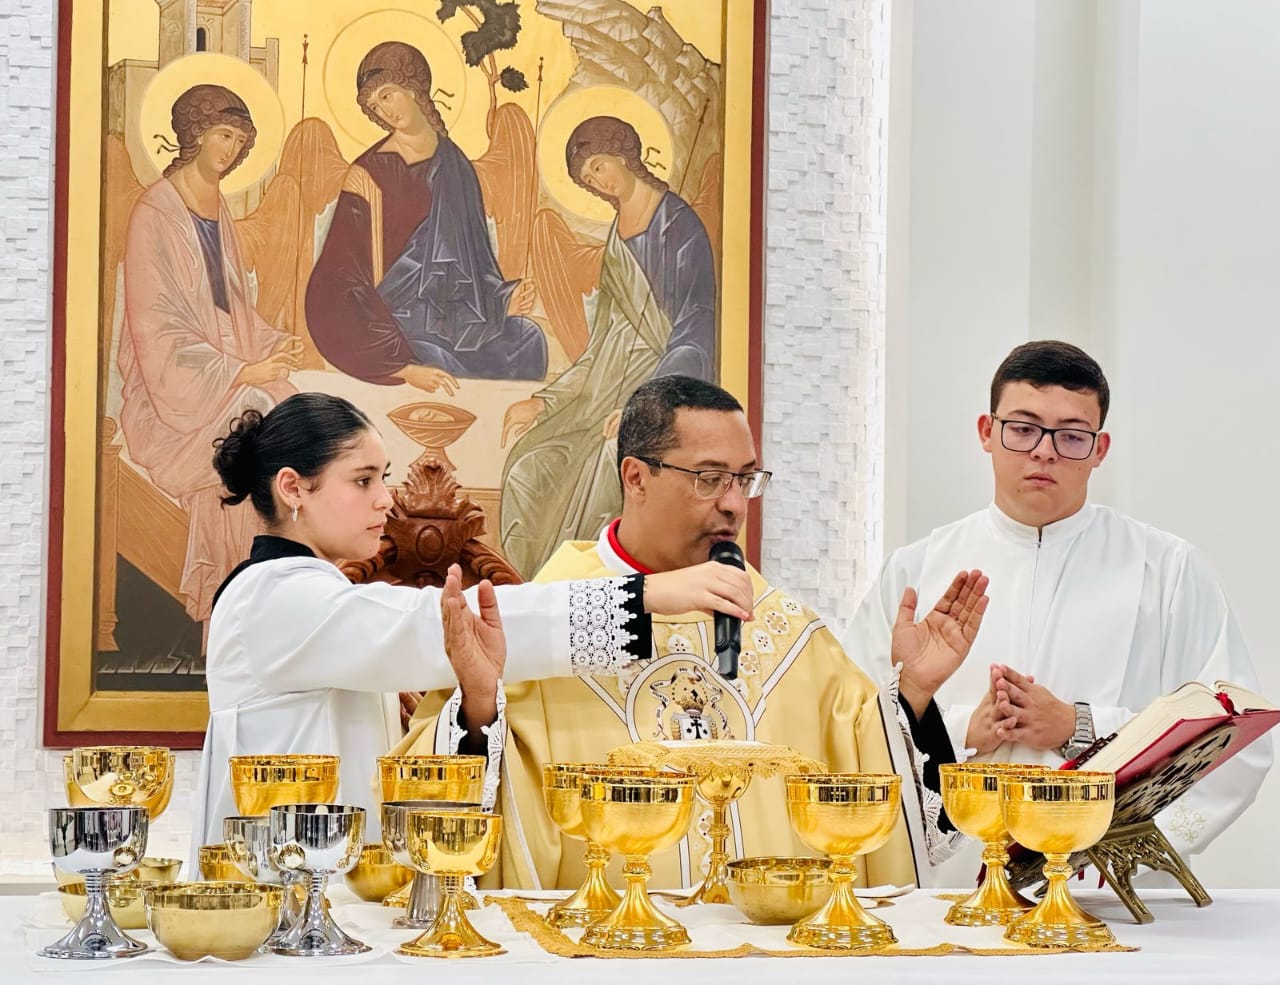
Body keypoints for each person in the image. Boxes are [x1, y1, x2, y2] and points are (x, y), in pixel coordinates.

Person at [397, 376, 990, 890]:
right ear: (636, 477)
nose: (734, 504)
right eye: (709, 478)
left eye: (746, 479)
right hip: (602, 949)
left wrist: (913, 692)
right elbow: (455, 796)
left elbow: (859, 767)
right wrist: (479, 706)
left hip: (761, 949)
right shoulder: (550, 622)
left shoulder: (785, 631)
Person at [191, 392, 754, 855]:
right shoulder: (272, 598)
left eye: (383, 477)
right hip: (277, 898)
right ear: (293, 488)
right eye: (362, 480)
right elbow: (430, 624)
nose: (386, 500)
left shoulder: (315, 595)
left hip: (334, 890)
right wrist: (644, 594)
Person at [843, 339, 1272, 883]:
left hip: (1110, 891)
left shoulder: (1167, 570)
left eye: (1071, 436)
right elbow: (850, 735)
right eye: (1023, 429)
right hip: (951, 889)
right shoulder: (914, 570)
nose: (1044, 451)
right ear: (986, 431)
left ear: (1100, 448)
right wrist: (961, 728)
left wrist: (1079, 726)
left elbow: (1233, 739)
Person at [499, 116, 717, 578]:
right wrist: (545, 401)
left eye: (598, 166)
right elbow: (601, 344)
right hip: (604, 390)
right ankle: (532, 593)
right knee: (528, 466)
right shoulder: (617, 238)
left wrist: (644, 406)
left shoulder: (680, 227)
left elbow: (695, 328)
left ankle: (586, 595)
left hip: (660, 387)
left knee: (608, 463)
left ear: (623, 153)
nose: (597, 181)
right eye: (587, 178)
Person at [118, 83, 302, 625]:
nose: (231, 149)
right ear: (195, 133)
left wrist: (271, 343)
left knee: (288, 400)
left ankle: (270, 593)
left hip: (217, 370)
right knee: (255, 414)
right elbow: (158, 330)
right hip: (171, 392)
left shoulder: (217, 207)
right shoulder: (155, 212)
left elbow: (231, 309)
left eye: (240, 140)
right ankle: (236, 601)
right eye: (223, 135)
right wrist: (243, 370)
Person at [305, 41, 546, 387]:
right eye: (375, 106)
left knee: (528, 342)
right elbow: (340, 275)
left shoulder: (456, 165)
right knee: (436, 358)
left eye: (387, 95)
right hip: (395, 319)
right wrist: (401, 367)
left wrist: (502, 300)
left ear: (413, 86)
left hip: (454, 317)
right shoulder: (367, 174)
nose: (384, 111)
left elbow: (477, 263)